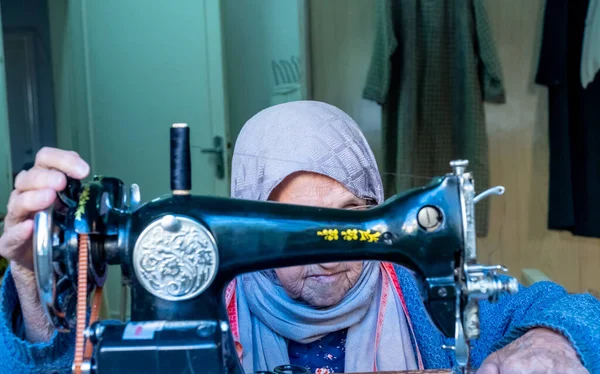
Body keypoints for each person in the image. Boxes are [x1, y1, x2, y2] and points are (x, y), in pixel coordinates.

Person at [0, 101, 598, 374]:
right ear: (251, 230)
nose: (332, 254)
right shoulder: (208, 322)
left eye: (351, 214)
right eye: (300, 229)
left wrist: (552, 341)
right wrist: (31, 281)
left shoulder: (423, 304)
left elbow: (570, 312)